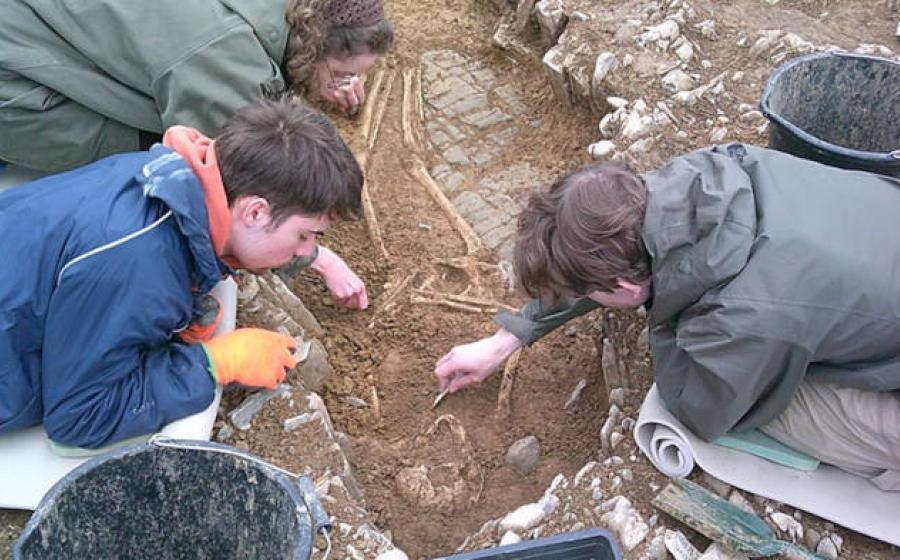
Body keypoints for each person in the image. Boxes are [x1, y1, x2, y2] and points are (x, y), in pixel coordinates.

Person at [435, 144, 900, 489]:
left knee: (774, 405)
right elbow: (613, 261)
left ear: (624, 288)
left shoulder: (739, 316)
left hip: (806, 323)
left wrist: (667, 323)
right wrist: (508, 338)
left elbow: (704, 408)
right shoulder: (697, 176)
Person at [0, 98, 368, 449]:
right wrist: (213, 364)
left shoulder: (162, 178)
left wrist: (187, 298)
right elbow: (79, 417)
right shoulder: (138, 261)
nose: (305, 252)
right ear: (255, 212)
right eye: (304, 235)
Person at [0, 0, 394, 172]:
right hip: (17, 77)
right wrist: (311, 255)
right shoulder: (223, 53)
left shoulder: (270, 13)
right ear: (316, 43)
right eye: (344, 72)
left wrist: (318, 77)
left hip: (41, 26)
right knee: (169, 154)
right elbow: (235, 170)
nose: (348, 84)